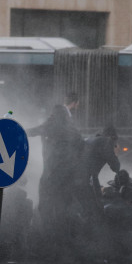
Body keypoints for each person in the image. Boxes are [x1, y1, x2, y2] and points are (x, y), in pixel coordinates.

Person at [28, 92, 84, 237]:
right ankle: (56, 236)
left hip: (54, 170)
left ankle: (49, 235)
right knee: (58, 204)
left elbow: (34, 131)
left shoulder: (57, 121)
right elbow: (80, 144)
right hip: (61, 171)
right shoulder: (65, 121)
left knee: (49, 204)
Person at [82, 125, 120, 215]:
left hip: (76, 175)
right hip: (86, 178)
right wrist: (116, 154)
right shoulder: (106, 141)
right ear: (112, 137)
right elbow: (115, 167)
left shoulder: (90, 139)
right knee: (98, 207)